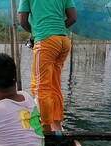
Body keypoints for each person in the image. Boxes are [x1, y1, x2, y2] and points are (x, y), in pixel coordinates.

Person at [18, 0, 77, 132]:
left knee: (40, 87)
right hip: (63, 41)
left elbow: (22, 21)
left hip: (45, 41)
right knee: (54, 85)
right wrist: (57, 28)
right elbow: (73, 18)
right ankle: (57, 125)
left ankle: (45, 128)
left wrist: (37, 32)